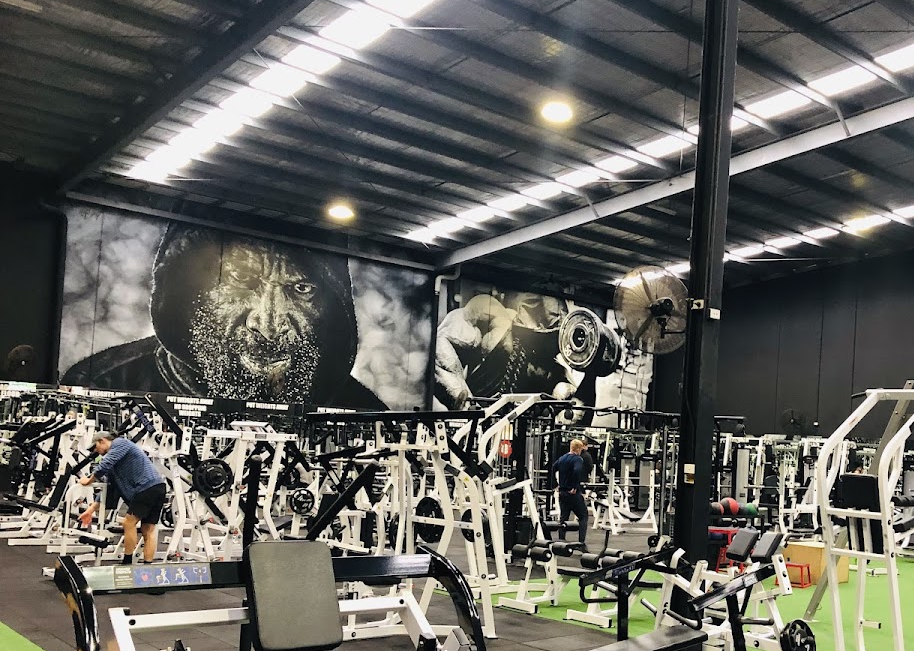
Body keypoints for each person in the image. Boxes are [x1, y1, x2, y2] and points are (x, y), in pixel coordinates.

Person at [61, 224, 385, 409]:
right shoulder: (103, 382)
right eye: (242, 281)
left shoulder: (362, 410)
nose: (269, 325)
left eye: (301, 288)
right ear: (186, 290)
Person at [434, 292, 576, 409]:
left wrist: (564, 390)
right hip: (473, 418)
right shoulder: (493, 315)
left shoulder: (552, 368)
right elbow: (442, 343)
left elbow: (571, 405)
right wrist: (466, 405)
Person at [79, 432, 168, 565]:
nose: (96, 451)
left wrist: (88, 480)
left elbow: (104, 465)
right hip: (156, 487)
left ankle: (127, 562)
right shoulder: (115, 464)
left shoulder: (120, 443)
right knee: (148, 529)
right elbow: (109, 489)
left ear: (103, 440)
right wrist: (90, 510)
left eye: (96, 446)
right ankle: (148, 566)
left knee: (129, 523)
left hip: (147, 488)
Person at [550, 439, 588, 547]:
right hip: (572, 493)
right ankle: (581, 543)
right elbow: (577, 471)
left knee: (564, 517)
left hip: (562, 492)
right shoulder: (578, 459)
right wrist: (575, 486)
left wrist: (554, 484)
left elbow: (553, 467)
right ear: (579, 449)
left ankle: (561, 542)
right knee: (583, 516)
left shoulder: (562, 458)